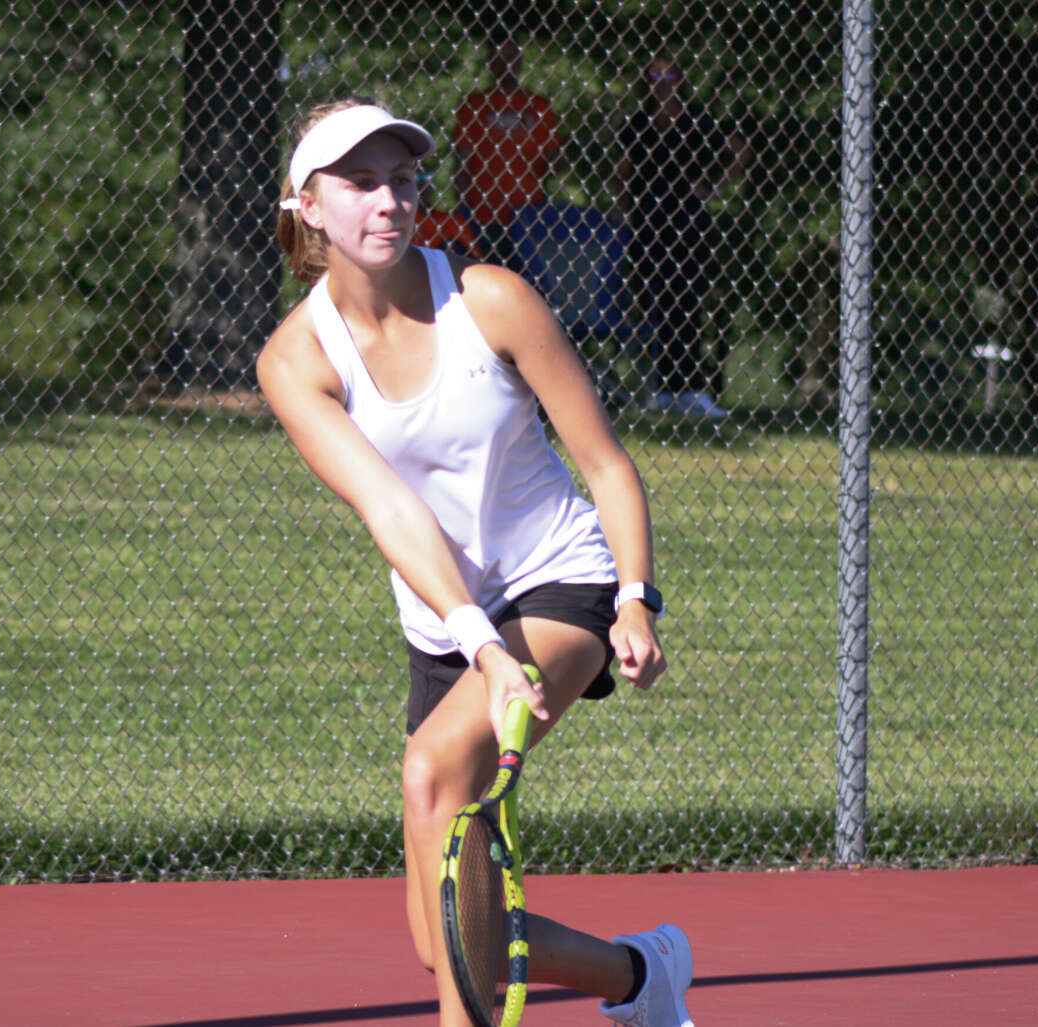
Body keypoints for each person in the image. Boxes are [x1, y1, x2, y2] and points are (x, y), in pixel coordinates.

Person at [258, 98, 695, 1027]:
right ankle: (640, 977)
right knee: (449, 937)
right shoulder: (297, 359)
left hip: (560, 579)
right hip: (447, 625)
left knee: (429, 770)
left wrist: (634, 597)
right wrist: (477, 645)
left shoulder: (489, 296)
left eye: (404, 180)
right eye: (361, 182)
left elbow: (607, 461)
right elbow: (390, 508)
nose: (389, 201)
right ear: (306, 205)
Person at [617, 55, 750, 420]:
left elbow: (738, 149)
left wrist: (714, 187)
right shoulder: (639, 122)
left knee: (686, 301)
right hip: (647, 222)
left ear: (680, 79)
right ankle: (659, 388)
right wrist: (624, 208)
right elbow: (624, 170)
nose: (663, 80)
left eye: (670, 73)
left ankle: (689, 389)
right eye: (655, 73)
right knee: (652, 299)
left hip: (688, 220)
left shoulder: (696, 119)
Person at [452, 34, 564, 271]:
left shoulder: (538, 105)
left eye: (511, 57)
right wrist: (464, 206)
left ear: (521, 61)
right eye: (499, 58)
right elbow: (461, 159)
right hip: (483, 213)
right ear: (490, 63)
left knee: (528, 279)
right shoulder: (475, 105)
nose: (506, 64)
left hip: (529, 213)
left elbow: (555, 156)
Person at [411, 171, 483, 259]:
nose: (421, 185)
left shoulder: (450, 221)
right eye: (416, 178)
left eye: (427, 178)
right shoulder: (404, 220)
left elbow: (476, 257)